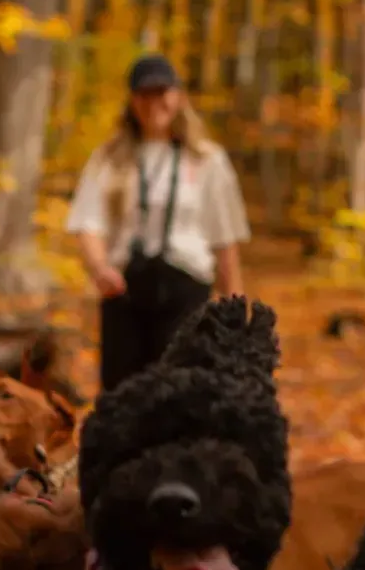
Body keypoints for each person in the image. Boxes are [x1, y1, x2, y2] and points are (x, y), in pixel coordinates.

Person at [65, 54, 251, 392]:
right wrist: (100, 269)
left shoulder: (208, 160)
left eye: (162, 92)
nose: (154, 103)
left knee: (179, 394)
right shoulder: (109, 159)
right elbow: (88, 222)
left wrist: (235, 314)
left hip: (186, 289)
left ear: (178, 97)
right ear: (132, 100)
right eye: (144, 94)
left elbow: (224, 240)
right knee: (123, 394)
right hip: (125, 290)